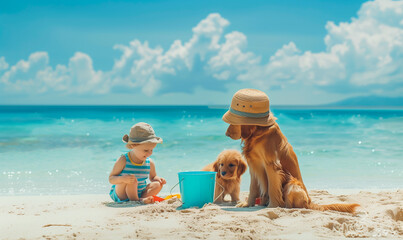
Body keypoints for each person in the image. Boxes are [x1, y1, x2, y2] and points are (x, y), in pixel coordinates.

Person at [109, 122, 166, 204]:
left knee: (157, 184)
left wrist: (159, 179)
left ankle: (141, 198)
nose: (149, 153)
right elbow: (111, 179)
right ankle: (137, 200)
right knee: (132, 179)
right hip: (122, 193)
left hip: (139, 192)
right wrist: (122, 179)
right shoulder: (123, 160)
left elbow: (153, 177)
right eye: (146, 150)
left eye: (151, 150)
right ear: (133, 146)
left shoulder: (149, 162)